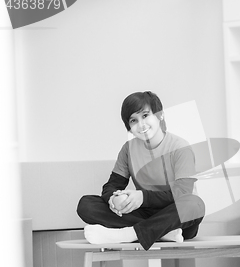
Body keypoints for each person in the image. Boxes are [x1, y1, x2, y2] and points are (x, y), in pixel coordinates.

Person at [77, 91, 205, 250]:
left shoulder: (180, 147)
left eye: (145, 115)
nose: (141, 124)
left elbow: (182, 192)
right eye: (133, 120)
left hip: (177, 218)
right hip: (145, 214)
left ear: (160, 115)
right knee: (87, 205)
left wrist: (143, 197)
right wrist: (113, 199)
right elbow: (111, 185)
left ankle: (129, 235)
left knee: (194, 204)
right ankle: (162, 234)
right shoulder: (128, 149)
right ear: (129, 127)